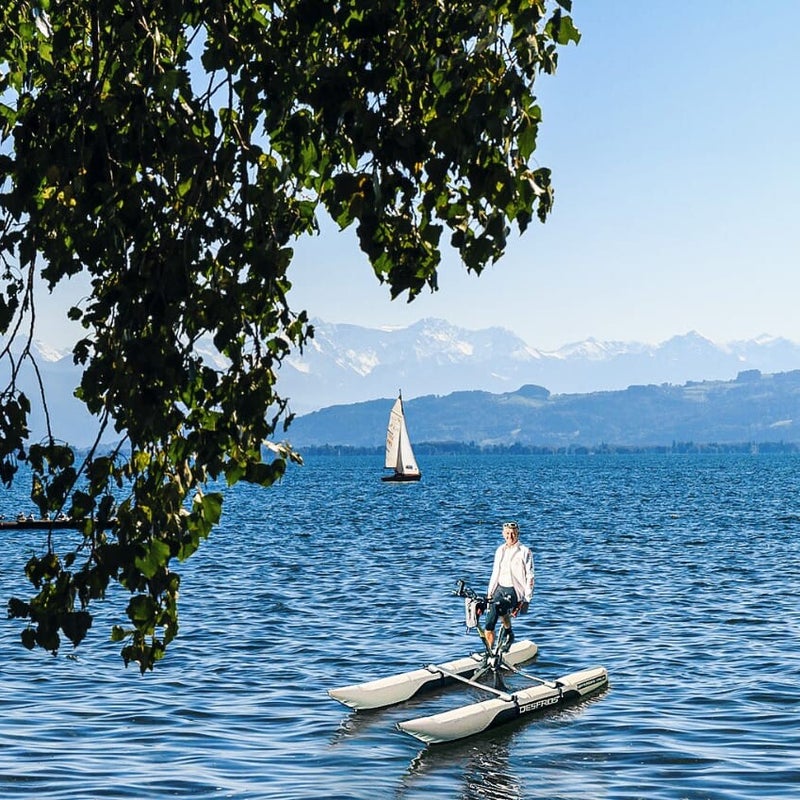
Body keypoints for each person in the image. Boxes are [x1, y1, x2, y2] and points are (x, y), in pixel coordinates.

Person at [484, 521, 534, 649]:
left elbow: (530, 576)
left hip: (514, 591)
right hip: (499, 588)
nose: (510, 536)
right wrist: (489, 593)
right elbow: (495, 572)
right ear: (503, 534)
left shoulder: (524, 551)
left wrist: (526, 599)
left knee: (498, 607)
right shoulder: (500, 550)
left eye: (513, 533)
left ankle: (508, 633)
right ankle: (490, 651)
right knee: (490, 619)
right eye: (507, 533)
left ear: (518, 534)